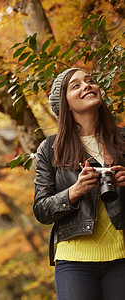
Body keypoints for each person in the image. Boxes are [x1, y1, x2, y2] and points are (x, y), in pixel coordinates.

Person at [33, 68, 125, 300]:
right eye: (75, 85)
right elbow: (41, 210)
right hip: (74, 262)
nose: (87, 86)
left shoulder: (123, 139)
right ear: (64, 104)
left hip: (122, 256)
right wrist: (74, 192)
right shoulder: (50, 148)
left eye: (90, 81)